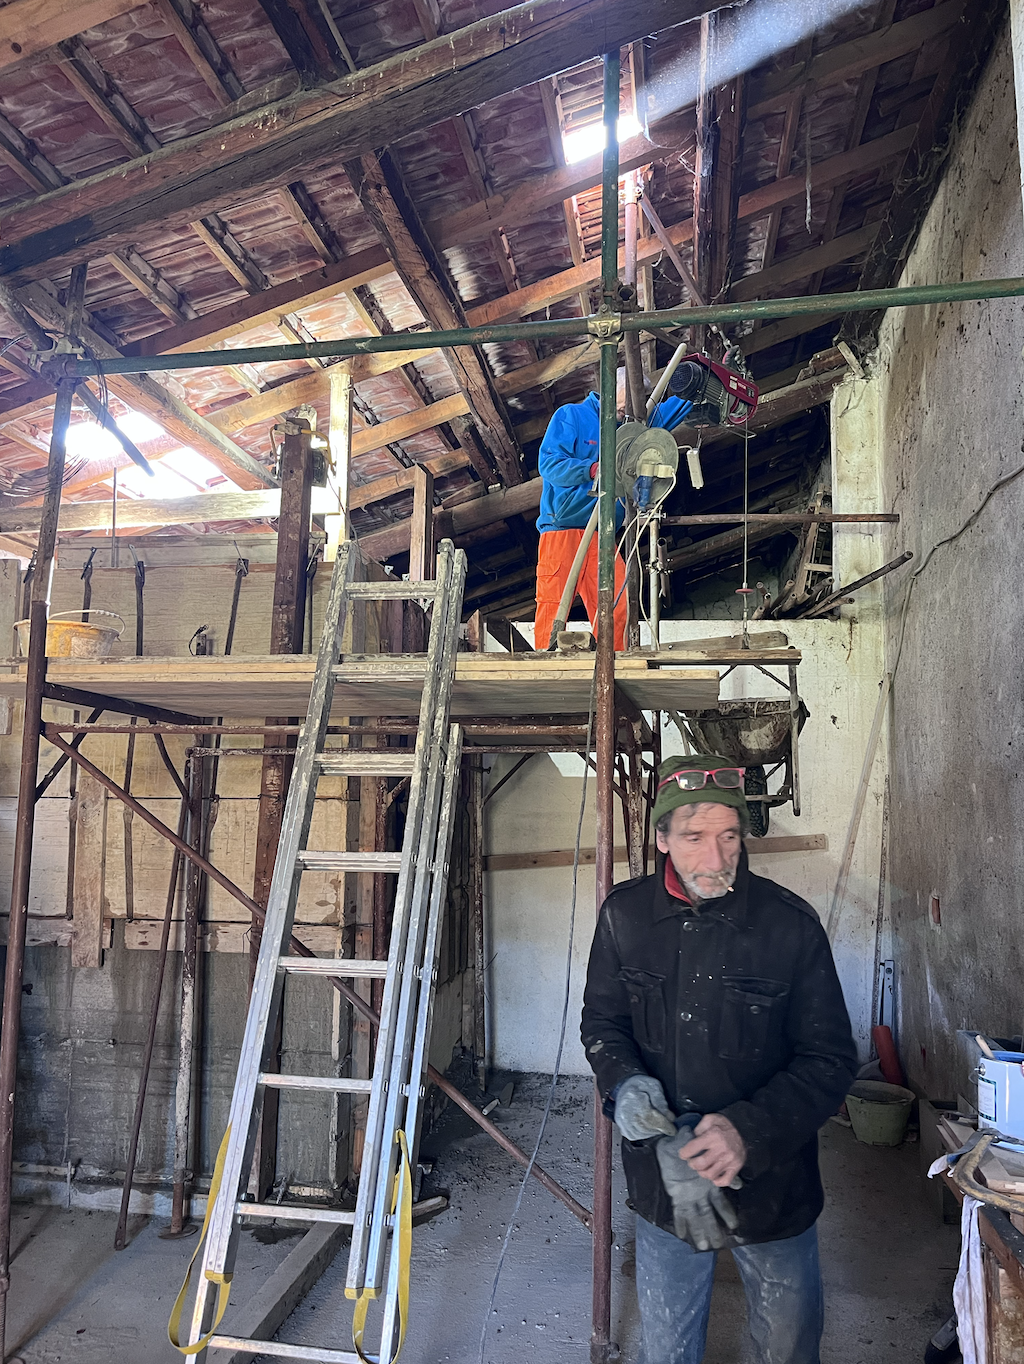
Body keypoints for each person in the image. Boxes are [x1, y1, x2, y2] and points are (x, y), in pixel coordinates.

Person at [581, 753, 857, 1364]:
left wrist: (746, 1132)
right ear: (660, 839)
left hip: (772, 1186)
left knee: (788, 1347)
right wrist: (624, 1085)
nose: (715, 859)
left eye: (729, 835)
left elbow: (831, 1058)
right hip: (664, 1181)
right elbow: (603, 1023)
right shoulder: (625, 918)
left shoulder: (791, 928)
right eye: (694, 837)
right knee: (668, 1350)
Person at [534, 369, 689, 651]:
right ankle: (544, 667)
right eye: (623, 402)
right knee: (554, 605)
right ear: (607, 390)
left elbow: (672, 410)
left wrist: (705, 375)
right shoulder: (571, 416)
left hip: (604, 532)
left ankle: (611, 664)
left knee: (617, 606)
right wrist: (591, 469)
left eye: (634, 403)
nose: (626, 410)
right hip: (562, 529)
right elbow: (549, 464)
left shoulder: (635, 424)